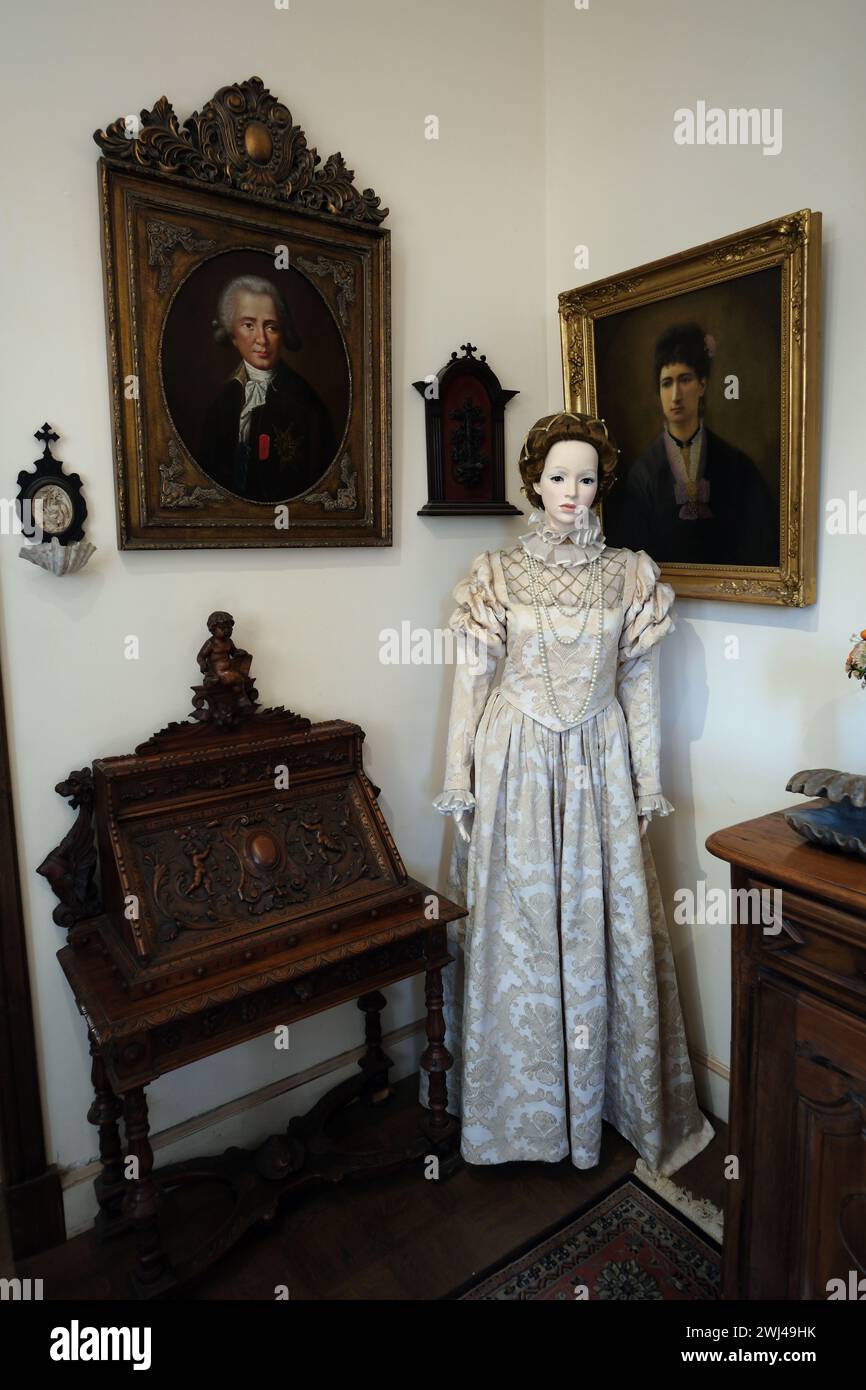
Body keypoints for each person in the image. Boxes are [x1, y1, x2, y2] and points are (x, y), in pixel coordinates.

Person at [422, 410, 714, 1176]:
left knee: (602, 928)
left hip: (599, 765)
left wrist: (647, 782)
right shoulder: (495, 573)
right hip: (515, 759)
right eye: (558, 476)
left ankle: (602, 1107)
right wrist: (460, 778)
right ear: (534, 482)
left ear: (600, 485)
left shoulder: (631, 574)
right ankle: (519, 1118)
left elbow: (644, 689)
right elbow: (473, 681)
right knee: (519, 934)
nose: (572, 492)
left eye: (585, 478)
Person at [606, 322, 778, 565]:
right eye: (667, 383)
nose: (675, 395)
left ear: (702, 385)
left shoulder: (735, 464)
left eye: (685, 379)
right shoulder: (642, 473)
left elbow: (759, 543)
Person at [199, 275, 337, 502]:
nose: (261, 339)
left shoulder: (307, 404)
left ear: (282, 333)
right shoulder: (220, 402)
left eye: (271, 327)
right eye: (249, 325)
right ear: (232, 334)